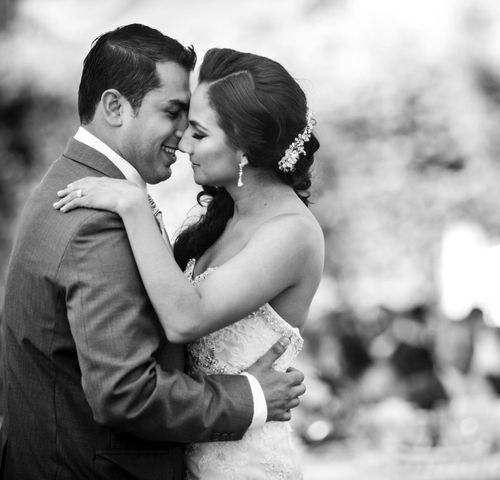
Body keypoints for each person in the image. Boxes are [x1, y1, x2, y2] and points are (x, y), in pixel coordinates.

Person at [1, 25, 305, 480]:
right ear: (115, 106)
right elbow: (124, 393)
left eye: (195, 124)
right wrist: (250, 396)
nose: (183, 136)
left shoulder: (87, 190)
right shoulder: (97, 219)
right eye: (174, 112)